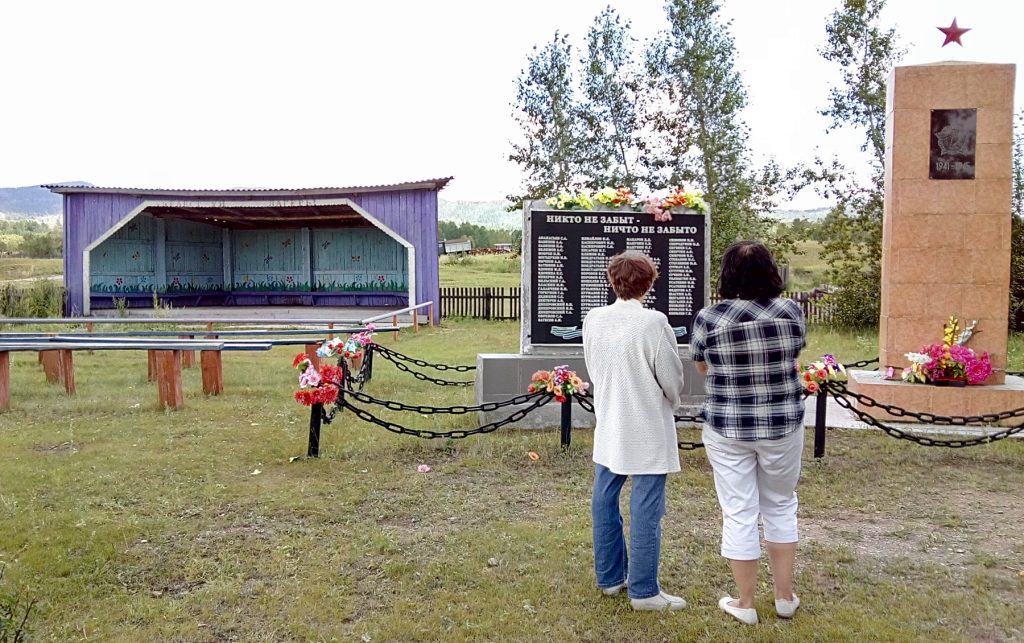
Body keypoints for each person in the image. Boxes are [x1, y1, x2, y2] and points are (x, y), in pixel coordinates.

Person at [690, 240, 806, 625]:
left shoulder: (710, 318)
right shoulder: (791, 311)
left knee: (739, 509)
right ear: (770, 270)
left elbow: (702, 366)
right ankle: (785, 597)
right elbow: (794, 357)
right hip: (781, 423)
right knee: (780, 503)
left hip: (727, 424)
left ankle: (745, 602)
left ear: (727, 275)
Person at [582, 250, 687, 611]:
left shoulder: (594, 319)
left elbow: (594, 369)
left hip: (611, 419)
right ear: (650, 282)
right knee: (646, 507)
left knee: (603, 497)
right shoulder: (654, 323)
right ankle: (644, 591)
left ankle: (610, 577)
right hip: (647, 424)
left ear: (613, 280)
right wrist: (670, 401)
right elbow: (672, 380)